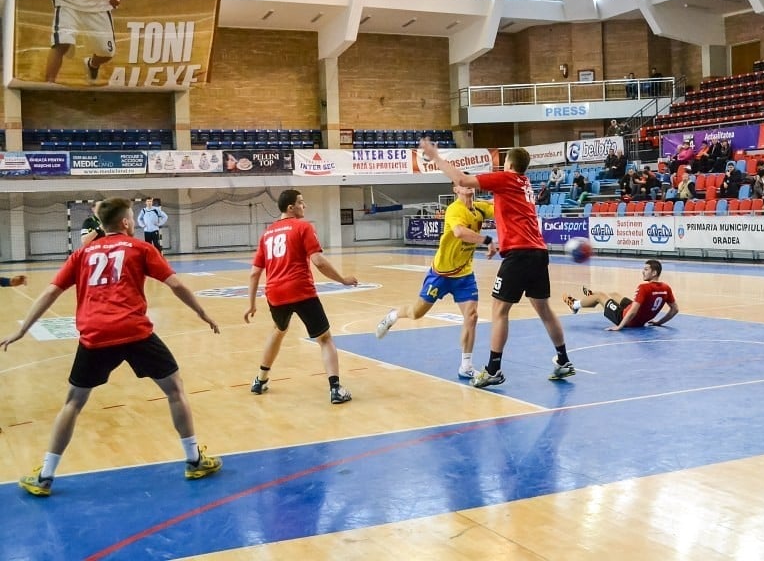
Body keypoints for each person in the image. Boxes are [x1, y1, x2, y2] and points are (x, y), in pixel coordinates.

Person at [1, 197, 222, 497]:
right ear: (126, 222)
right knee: (174, 390)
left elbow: (50, 292)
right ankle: (194, 460)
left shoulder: (82, 253)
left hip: (95, 335)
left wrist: (22, 329)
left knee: (73, 403)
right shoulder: (142, 248)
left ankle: (45, 476)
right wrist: (203, 313)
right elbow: (177, 285)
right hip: (135, 332)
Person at [419, 137, 574, 388]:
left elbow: (462, 180)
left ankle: (493, 369)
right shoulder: (525, 184)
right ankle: (564, 360)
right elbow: (499, 206)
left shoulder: (506, 179)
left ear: (509, 164)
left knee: (499, 311)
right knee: (544, 309)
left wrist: (436, 158)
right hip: (538, 252)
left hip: (519, 254)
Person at [375, 181, 497, 379]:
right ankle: (393, 315)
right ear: (455, 189)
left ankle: (466, 365)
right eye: (462, 184)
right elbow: (459, 232)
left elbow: (499, 207)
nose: (468, 186)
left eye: (470, 182)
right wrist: (488, 240)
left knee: (472, 316)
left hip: (464, 274)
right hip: (441, 274)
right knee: (416, 313)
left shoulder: (480, 208)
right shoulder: (454, 209)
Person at [245, 190, 357, 402]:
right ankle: (335, 389)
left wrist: (251, 304)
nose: (304, 207)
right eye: (301, 203)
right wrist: (342, 279)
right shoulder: (303, 227)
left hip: (275, 293)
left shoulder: (267, 234)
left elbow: (254, 273)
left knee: (278, 331)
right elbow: (319, 262)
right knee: (324, 338)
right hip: (301, 290)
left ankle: (260, 380)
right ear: (290, 207)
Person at [562, 259, 679, 331]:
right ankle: (591, 298)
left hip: (626, 319)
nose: (643, 271)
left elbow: (632, 311)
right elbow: (675, 310)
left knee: (600, 296)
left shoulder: (644, 287)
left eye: (646, 269)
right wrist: (659, 322)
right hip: (639, 319)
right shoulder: (666, 288)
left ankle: (575, 305)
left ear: (654, 273)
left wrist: (620, 326)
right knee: (614, 294)